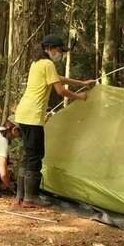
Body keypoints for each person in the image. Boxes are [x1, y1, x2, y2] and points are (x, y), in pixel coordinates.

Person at [14, 34, 96, 208]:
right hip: (33, 116)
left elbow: (58, 79)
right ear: (49, 49)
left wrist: (81, 82)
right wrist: (78, 96)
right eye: (59, 50)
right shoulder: (47, 63)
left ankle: (20, 197)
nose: (60, 54)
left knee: (28, 155)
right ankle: (30, 198)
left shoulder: (37, 63)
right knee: (36, 155)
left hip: (22, 113)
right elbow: (60, 90)